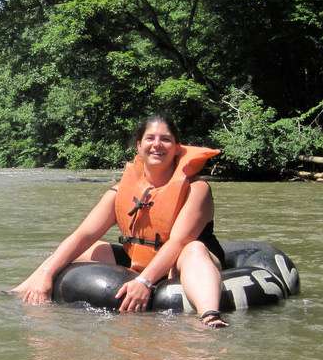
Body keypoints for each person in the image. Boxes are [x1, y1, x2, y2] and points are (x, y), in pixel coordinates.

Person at [13, 115, 228, 328]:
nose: (157, 145)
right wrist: (47, 274)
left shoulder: (197, 189)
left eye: (165, 139)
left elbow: (178, 242)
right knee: (88, 248)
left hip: (184, 262)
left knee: (193, 248)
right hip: (139, 260)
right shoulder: (120, 191)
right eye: (150, 138)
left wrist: (144, 282)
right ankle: (22, 290)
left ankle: (209, 316)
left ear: (176, 147)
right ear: (139, 146)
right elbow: (83, 235)